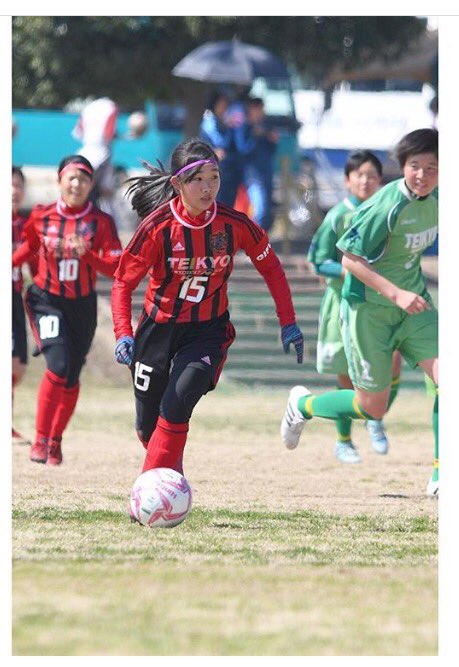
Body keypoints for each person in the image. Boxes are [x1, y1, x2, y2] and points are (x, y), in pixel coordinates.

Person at [111, 138, 304, 499]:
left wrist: (288, 321)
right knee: (147, 425)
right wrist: (124, 333)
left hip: (207, 331)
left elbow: (272, 269)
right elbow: (123, 282)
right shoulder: (157, 228)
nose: (207, 187)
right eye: (197, 179)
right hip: (157, 329)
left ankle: (152, 495)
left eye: (213, 177)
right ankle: (170, 481)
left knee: (177, 402)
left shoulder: (235, 225)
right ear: (178, 185)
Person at [281, 128, 438, 496]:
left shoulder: (439, 198)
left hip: (415, 306)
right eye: (415, 166)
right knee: (371, 407)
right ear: (402, 167)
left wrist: (405, 294)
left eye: (432, 167)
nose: (423, 174)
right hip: (367, 310)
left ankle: (440, 474)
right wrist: (394, 292)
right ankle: (303, 405)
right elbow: (349, 261)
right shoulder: (384, 205)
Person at [12, 155, 123, 465]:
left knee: (72, 377)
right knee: (58, 365)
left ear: (91, 185)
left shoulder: (102, 222)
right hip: (46, 300)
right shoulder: (40, 216)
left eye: (84, 179)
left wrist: (88, 255)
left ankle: (56, 438)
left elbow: (115, 268)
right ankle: (41, 439)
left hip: (83, 306)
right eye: (71, 177)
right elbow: (29, 247)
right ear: (59, 181)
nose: (77, 184)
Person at [307, 150, 402, 463]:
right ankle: (344, 440)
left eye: (372, 175)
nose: (366, 181)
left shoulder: (387, 212)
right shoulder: (338, 216)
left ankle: (376, 418)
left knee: (393, 360)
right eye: (359, 175)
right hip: (345, 303)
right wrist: (344, 270)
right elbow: (317, 262)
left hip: (382, 303)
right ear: (347, 181)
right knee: (347, 374)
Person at [12, 166, 37, 445]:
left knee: (17, 366)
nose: (14, 191)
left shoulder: (26, 224)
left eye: (18, 185)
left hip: (16, 299)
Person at [234, 97, 279, 232]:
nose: (260, 112)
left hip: (266, 174)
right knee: (259, 210)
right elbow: (242, 149)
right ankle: (253, 240)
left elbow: (271, 151)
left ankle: (256, 238)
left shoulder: (266, 127)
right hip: (251, 176)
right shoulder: (243, 128)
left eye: (261, 109)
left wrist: (271, 140)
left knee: (265, 210)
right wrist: (254, 135)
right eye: (257, 109)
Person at [72, 97, 118, 213]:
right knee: (102, 191)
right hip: (101, 153)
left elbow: (78, 132)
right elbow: (108, 133)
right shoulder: (111, 107)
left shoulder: (88, 108)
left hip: (85, 152)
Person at [199, 92, 241, 207]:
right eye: (221, 105)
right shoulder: (209, 120)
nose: (224, 108)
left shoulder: (220, 120)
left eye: (225, 105)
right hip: (215, 168)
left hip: (228, 169)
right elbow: (221, 142)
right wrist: (228, 126)